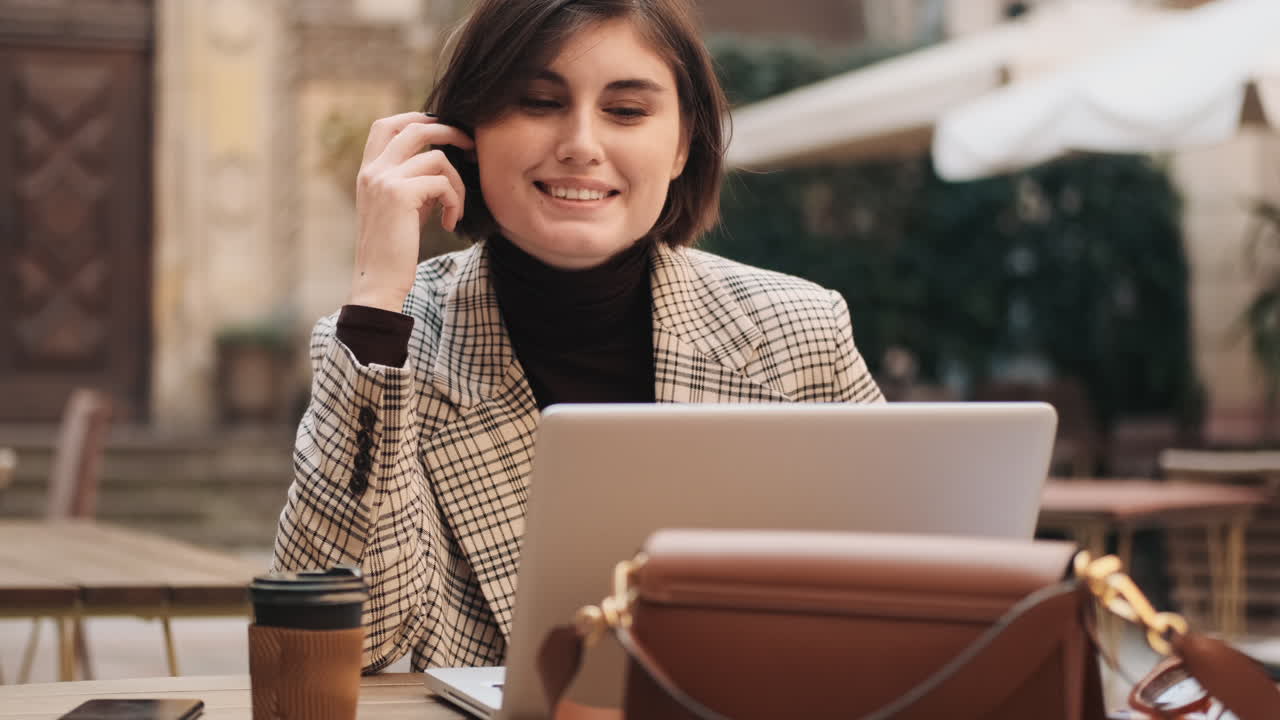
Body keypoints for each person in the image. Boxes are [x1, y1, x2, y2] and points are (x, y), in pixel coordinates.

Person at [273, 0, 883, 673]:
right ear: (462, 133)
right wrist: (377, 294)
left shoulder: (799, 332)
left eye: (626, 111)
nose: (581, 145)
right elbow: (335, 645)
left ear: (682, 145)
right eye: (538, 101)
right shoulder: (381, 347)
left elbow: (916, 602)